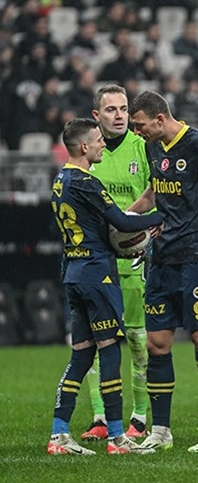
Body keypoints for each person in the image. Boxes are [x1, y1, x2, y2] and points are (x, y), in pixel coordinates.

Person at [128, 91, 198, 453]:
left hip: (196, 259)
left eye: (140, 125)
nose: (137, 132)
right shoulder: (152, 148)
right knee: (157, 343)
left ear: (159, 119)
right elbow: (153, 194)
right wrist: (123, 220)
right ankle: (160, 432)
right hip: (161, 259)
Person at [47, 118, 163, 455]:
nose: (102, 145)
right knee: (110, 351)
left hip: (73, 272)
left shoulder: (60, 180)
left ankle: (58, 436)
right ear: (84, 147)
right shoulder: (87, 182)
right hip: (98, 276)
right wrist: (162, 216)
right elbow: (124, 223)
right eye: (98, 140)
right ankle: (117, 437)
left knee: (81, 356)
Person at [79, 85, 152, 443]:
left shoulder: (143, 148)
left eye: (123, 108)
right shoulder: (88, 153)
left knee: (138, 340)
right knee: (97, 341)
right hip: (97, 261)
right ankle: (100, 417)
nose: (119, 115)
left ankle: (139, 416)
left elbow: (158, 198)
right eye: (110, 110)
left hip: (135, 259)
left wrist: (138, 229)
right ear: (97, 116)